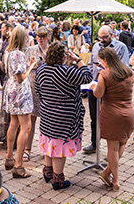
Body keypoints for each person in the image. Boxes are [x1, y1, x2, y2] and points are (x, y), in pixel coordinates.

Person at [35, 42, 92, 190]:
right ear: (63, 56)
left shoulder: (41, 70)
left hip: (47, 114)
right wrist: (78, 60)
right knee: (59, 149)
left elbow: (38, 90)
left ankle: (47, 172)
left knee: (49, 143)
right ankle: (57, 179)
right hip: (65, 118)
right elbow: (88, 77)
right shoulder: (66, 71)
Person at [91, 47, 134, 191]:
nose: (101, 64)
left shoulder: (104, 74)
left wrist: (93, 87)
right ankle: (107, 172)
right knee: (123, 142)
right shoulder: (130, 72)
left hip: (111, 113)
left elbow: (99, 94)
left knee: (113, 148)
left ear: (105, 60)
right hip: (129, 113)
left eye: (101, 61)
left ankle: (115, 180)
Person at [84, 25, 130, 154]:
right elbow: (90, 64)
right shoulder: (96, 46)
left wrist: (108, 69)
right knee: (94, 117)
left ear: (112, 35)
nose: (102, 40)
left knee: (112, 119)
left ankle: (113, 150)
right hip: (96, 85)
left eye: (105, 37)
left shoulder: (121, 47)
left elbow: (125, 68)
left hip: (112, 88)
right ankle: (94, 143)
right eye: (100, 37)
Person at [2, 26, 37, 178]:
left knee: (14, 123)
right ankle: (18, 165)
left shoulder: (8, 52)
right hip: (20, 92)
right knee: (26, 127)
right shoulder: (19, 54)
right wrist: (31, 66)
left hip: (10, 90)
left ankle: (9, 158)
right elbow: (20, 78)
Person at [22, 26, 49, 160]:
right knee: (31, 121)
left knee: (48, 121)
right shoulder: (30, 50)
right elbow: (24, 65)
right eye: (38, 36)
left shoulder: (51, 50)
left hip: (48, 88)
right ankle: (27, 150)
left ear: (48, 37)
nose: (40, 39)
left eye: (43, 37)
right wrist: (31, 65)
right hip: (33, 87)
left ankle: (47, 149)